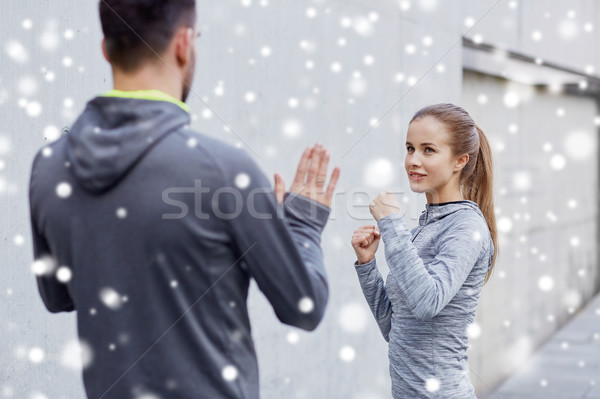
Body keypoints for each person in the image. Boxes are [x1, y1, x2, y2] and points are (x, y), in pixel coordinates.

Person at [28, 1, 340, 398]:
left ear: (106, 49)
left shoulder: (50, 166)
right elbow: (304, 307)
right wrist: (301, 222)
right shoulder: (223, 170)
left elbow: (57, 296)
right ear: (183, 43)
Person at [351, 103, 498, 398]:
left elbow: (427, 302)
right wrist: (368, 266)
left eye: (428, 150)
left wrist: (392, 225)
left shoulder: (467, 227)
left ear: (460, 161)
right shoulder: (421, 231)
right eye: (409, 148)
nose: (413, 160)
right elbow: (395, 329)